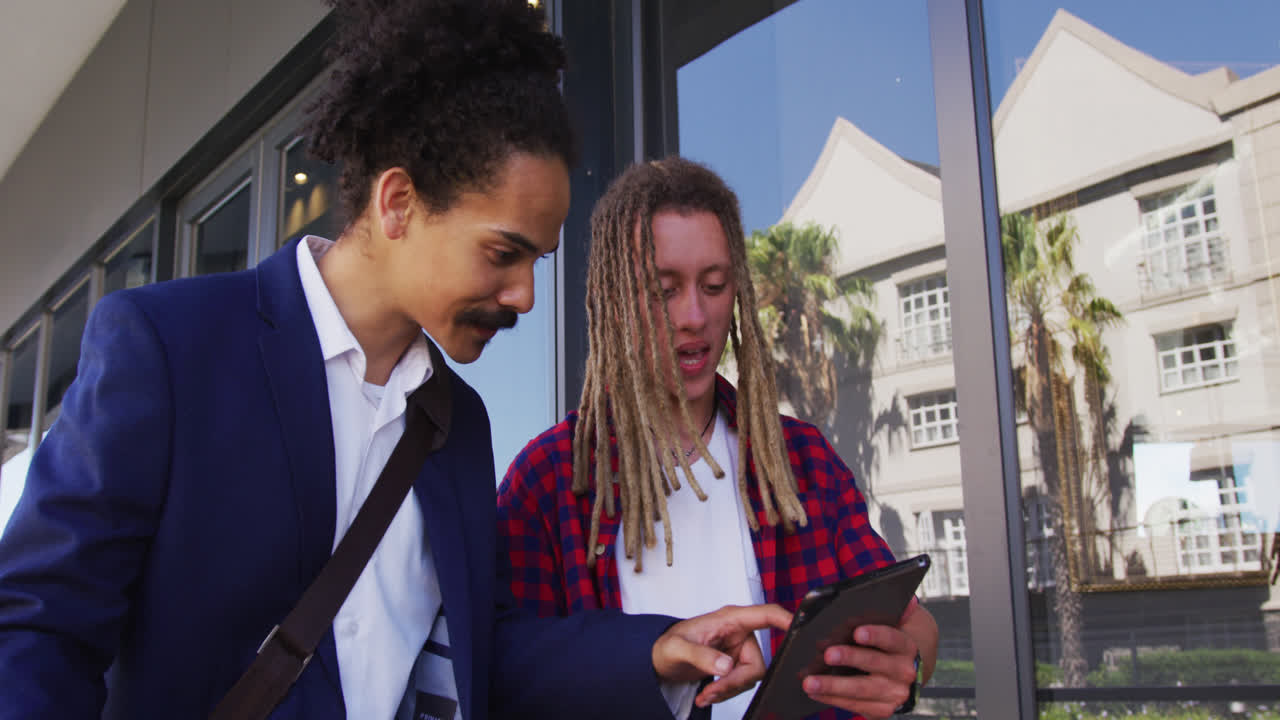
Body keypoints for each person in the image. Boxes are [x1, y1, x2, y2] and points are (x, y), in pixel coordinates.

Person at [0, 5, 790, 719]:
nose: (524, 296)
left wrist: (655, 649)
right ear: (398, 204)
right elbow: (38, 626)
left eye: (539, 262)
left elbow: (481, 657)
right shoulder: (169, 348)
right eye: (503, 253)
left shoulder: (461, 424)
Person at [497, 157, 941, 720]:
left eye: (714, 285)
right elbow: (507, 673)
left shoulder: (801, 461)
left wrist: (909, 664)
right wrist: (646, 657)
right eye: (663, 290)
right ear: (613, 300)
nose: (693, 314)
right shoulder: (549, 478)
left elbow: (911, 621)